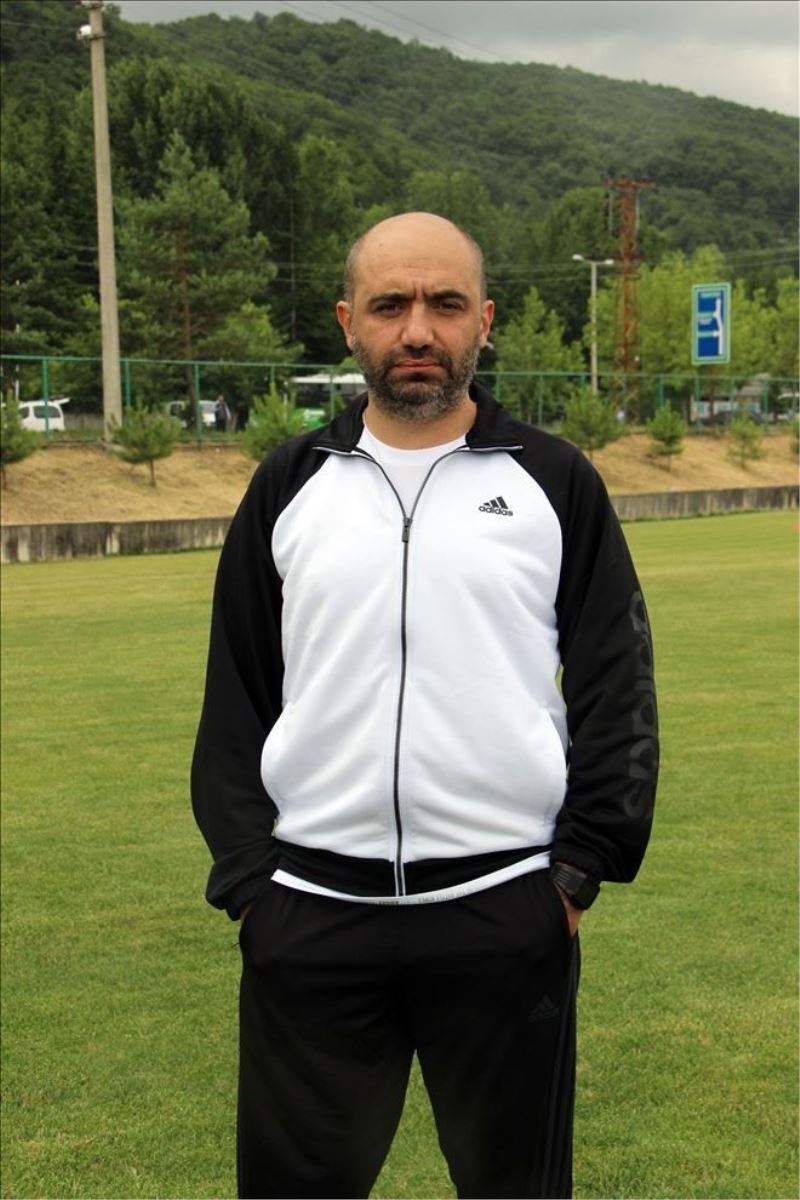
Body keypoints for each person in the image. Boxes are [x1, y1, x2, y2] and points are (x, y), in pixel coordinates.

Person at [191, 212, 658, 1200]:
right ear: (347, 322)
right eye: (389, 305)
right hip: (308, 918)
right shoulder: (289, 485)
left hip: (503, 914)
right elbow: (235, 697)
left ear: (483, 321)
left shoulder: (552, 482)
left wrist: (576, 873)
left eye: (444, 304)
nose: (417, 330)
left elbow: (617, 687)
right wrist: (251, 885)